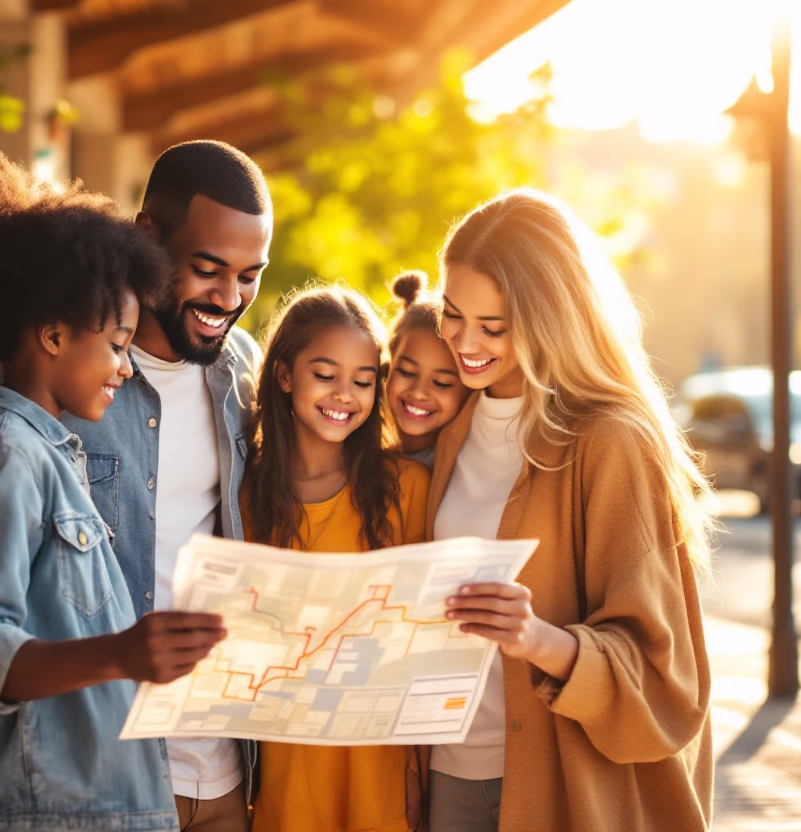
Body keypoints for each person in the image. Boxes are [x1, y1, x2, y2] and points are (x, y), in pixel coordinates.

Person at [0, 140, 273, 831]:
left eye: (250, 277)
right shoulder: (17, 390)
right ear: (149, 236)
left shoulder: (244, 372)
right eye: (209, 269)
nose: (229, 299)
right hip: (84, 781)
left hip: (221, 767)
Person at [426, 190, 714, 831]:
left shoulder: (610, 442)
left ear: (550, 316)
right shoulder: (449, 424)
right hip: (445, 776)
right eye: (451, 314)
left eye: (493, 328)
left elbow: (666, 680)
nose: (464, 343)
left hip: (560, 791)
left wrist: (538, 640)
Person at [241, 285, 430, 832]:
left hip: (381, 768)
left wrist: (416, 773)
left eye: (364, 381)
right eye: (325, 375)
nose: (344, 394)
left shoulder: (408, 489)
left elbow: (424, 647)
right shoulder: (249, 495)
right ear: (284, 375)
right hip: (286, 765)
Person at [384, 270, 469, 469]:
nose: (419, 392)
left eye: (441, 383)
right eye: (406, 372)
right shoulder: (365, 452)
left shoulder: (460, 467)